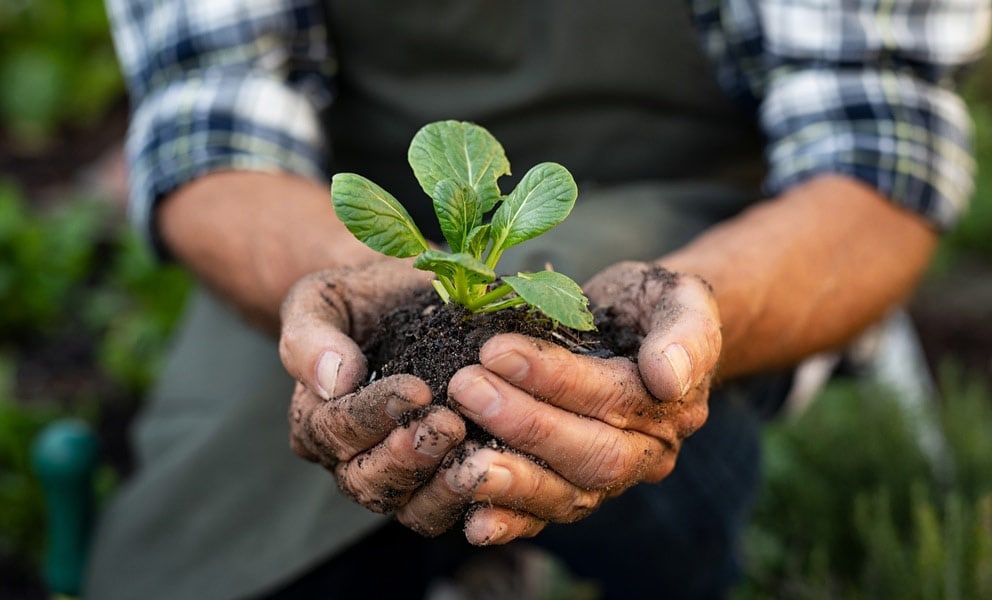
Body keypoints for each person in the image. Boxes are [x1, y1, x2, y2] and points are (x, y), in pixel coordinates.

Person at [88, 1, 989, 598]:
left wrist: (697, 322)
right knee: (197, 550)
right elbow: (209, 123)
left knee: (628, 456)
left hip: (706, 226)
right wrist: (357, 297)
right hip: (331, 233)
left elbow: (876, 155)